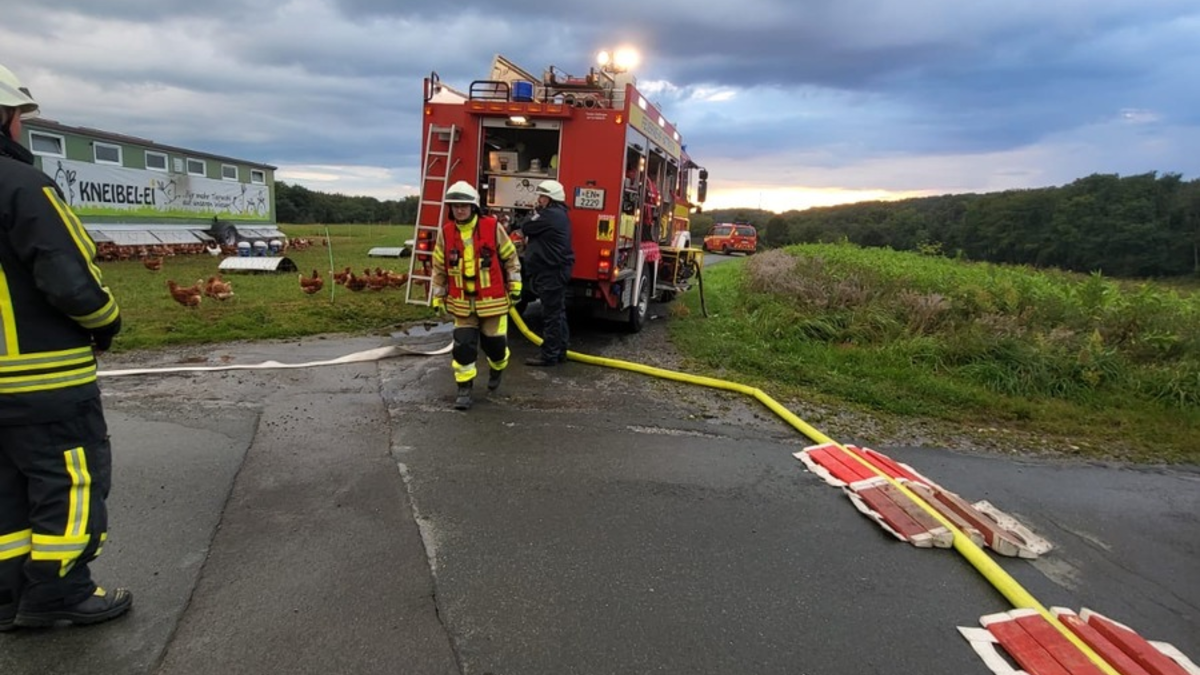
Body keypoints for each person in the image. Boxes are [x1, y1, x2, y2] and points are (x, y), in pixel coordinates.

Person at [0, 64, 130, 630]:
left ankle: (7, 596)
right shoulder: (22, 186)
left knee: (5, 489)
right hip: (41, 378)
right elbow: (69, 277)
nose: (22, 129)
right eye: (20, 117)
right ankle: (60, 592)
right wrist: (106, 323)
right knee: (68, 481)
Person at [430, 180, 522, 410]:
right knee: (463, 345)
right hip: (462, 304)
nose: (459, 210)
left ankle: (497, 367)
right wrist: (437, 295)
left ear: (473, 207)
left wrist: (516, 284)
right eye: (455, 206)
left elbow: (511, 258)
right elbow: (439, 267)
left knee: (495, 346)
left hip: (493, 301)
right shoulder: (446, 233)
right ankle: (464, 389)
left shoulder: (492, 227)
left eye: (464, 205)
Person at [511, 179, 574, 366]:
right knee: (558, 313)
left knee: (551, 315)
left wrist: (532, 215)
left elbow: (527, 226)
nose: (539, 199)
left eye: (542, 196)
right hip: (555, 270)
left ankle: (550, 355)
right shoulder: (558, 214)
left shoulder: (550, 215)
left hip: (551, 271)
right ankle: (560, 351)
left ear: (551, 198)